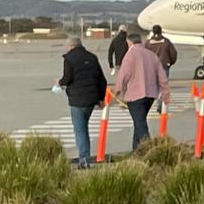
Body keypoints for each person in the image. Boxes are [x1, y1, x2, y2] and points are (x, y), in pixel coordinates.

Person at [114, 33, 170, 150]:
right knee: (139, 122)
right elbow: (162, 76)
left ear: (129, 42)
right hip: (150, 95)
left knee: (140, 124)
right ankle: (136, 151)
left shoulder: (130, 55)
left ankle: (150, 150)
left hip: (135, 96)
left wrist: (117, 90)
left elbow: (124, 75)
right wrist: (165, 93)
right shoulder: (152, 55)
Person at [57, 37, 107, 169]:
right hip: (92, 99)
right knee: (83, 127)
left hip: (77, 99)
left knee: (80, 130)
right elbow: (102, 80)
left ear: (70, 46)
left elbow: (67, 78)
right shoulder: (92, 57)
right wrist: (101, 99)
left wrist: (59, 83)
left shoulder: (69, 59)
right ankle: (84, 157)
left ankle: (84, 159)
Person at [145, 24, 177, 112]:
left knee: (153, 86)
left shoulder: (148, 43)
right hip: (164, 66)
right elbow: (173, 54)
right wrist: (170, 62)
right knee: (163, 86)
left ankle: (151, 103)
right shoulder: (166, 42)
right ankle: (160, 104)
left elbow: (144, 55)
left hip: (151, 67)